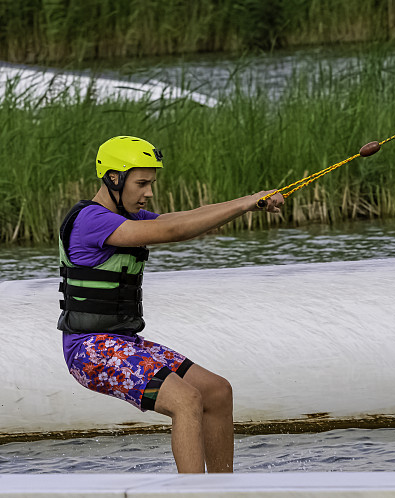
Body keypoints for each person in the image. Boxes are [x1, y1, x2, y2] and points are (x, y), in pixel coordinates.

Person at [57, 135, 284, 473]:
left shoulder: (129, 217)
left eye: (151, 183)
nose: (148, 191)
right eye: (142, 183)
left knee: (217, 392)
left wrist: (249, 202)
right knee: (187, 399)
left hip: (123, 343)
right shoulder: (92, 221)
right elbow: (174, 230)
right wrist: (245, 203)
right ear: (114, 179)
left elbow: (183, 217)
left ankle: (223, 491)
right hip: (89, 349)